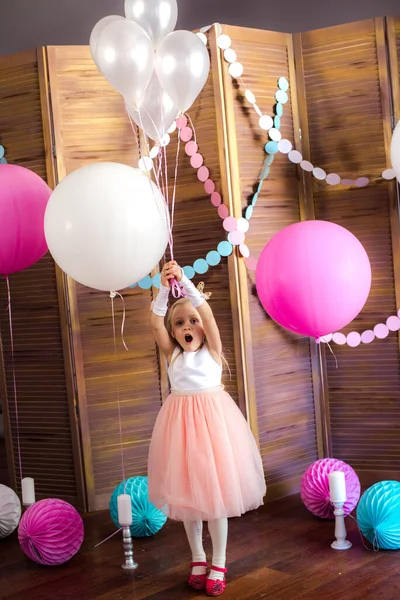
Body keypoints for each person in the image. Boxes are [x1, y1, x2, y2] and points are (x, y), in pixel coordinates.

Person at [148, 260, 266, 596]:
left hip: (214, 427)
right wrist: (162, 289)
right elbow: (155, 324)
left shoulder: (213, 352)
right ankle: (198, 557)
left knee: (214, 497)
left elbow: (209, 316)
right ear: (174, 332)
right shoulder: (173, 357)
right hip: (180, 427)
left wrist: (182, 281)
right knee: (188, 495)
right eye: (180, 323)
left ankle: (219, 562)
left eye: (193, 322)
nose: (188, 327)